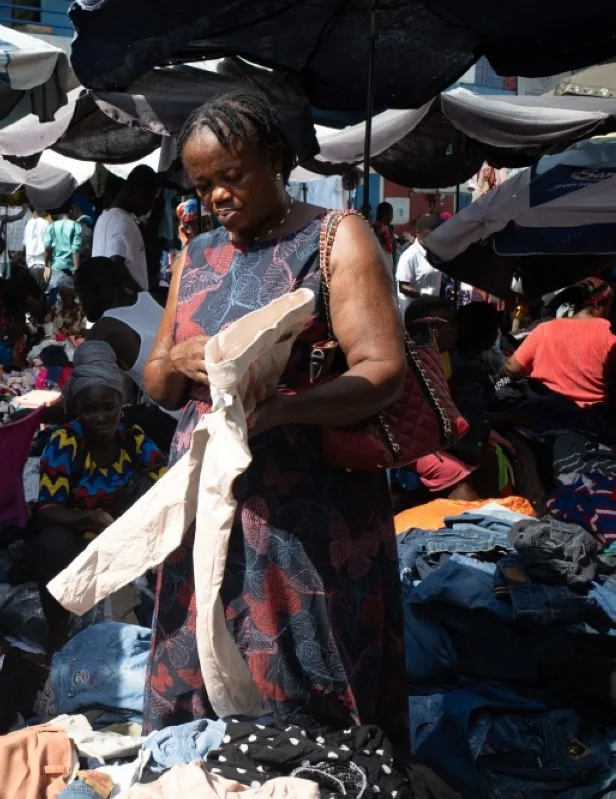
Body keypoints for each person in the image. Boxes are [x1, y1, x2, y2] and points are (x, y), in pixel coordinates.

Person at [142, 90, 409, 742]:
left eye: (230, 177)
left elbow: (382, 370)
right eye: (204, 186)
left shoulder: (337, 236)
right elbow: (158, 385)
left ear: (274, 159)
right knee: (203, 664)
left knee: (303, 678)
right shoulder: (197, 255)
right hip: (209, 502)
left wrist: (287, 409)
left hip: (308, 511)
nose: (217, 198)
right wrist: (178, 355)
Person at [32, 340, 167, 651]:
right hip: (80, 541)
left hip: (124, 540)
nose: (101, 417)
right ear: (77, 410)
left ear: (121, 405)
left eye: (109, 407)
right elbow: (48, 508)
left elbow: (165, 480)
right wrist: (88, 517)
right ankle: (57, 634)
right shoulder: (66, 441)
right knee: (52, 542)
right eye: (90, 410)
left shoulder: (133, 438)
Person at [75, 255, 178, 449]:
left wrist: (34, 415)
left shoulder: (105, 329)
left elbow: (78, 395)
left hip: (175, 421)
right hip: (195, 409)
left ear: (93, 290)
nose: (81, 305)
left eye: (81, 296)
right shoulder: (154, 298)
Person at [505, 276, 616, 409]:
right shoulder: (611, 334)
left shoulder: (545, 328)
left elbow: (512, 368)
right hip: (589, 418)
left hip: (542, 412)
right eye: (610, 304)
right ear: (598, 303)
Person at [92, 165, 159, 291]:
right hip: (126, 307)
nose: (151, 205)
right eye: (149, 197)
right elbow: (115, 264)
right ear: (131, 191)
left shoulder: (104, 217)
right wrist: (144, 297)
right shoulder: (122, 221)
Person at [394, 214, 443, 313]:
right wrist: (423, 296)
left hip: (431, 311)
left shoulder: (436, 253)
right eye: (430, 234)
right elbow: (403, 286)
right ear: (418, 233)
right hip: (413, 314)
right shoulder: (409, 256)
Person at [43, 206, 83, 309]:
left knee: (57, 302)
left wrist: (46, 267)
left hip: (56, 270)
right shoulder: (75, 226)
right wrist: (77, 272)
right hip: (69, 271)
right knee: (70, 302)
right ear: (69, 212)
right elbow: (75, 251)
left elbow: (47, 250)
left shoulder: (50, 227)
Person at [23, 207, 51, 285]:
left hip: (30, 265)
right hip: (42, 264)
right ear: (40, 210)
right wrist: (47, 266)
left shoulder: (28, 224)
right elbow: (47, 248)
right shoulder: (46, 224)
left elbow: (25, 245)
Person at [371, 201, 396, 269]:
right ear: (386, 215)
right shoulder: (377, 228)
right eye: (391, 214)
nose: (392, 216)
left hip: (388, 264)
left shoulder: (388, 228)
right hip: (381, 265)